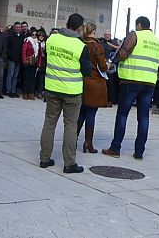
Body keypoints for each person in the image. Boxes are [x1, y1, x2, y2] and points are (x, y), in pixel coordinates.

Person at [102, 16, 159, 160]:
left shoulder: (134, 35)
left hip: (131, 79)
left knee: (122, 114)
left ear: (139, 25)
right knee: (143, 117)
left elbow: (123, 53)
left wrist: (112, 60)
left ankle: (115, 148)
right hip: (149, 82)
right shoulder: (157, 42)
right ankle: (139, 152)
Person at [39, 13, 91, 173]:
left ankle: (44, 159)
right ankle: (69, 163)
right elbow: (87, 71)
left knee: (49, 123)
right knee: (70, 125)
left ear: (67, 23)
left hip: (52, 88)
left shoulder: (52, 39)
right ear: (80, 28)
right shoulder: (81, 46)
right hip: (71, 92)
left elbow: (46, 60)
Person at [76, 23, 108, 154]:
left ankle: (73, 138)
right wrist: (108, 65)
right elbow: (102, 66)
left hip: (82, 82)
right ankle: (88, 142)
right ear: (93, 32)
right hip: (95, 83)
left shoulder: (80, 44)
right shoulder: (97, 46)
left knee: (81, 112)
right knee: (91, 114)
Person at [5, 22, 24, 98]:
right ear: (14, 28)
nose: (18, 29)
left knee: (15, 76)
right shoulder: (9, 36)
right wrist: (11, 55)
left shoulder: (23, 36)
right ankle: (8, 90)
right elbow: (7, 47)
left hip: (19, 60)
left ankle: (13, 91)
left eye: (19, 27)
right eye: (17, 27)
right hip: (11, 59)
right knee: (10, 75)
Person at [21, 27, 39, 100]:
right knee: (26, 78)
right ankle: (25, 93)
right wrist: (24, 60)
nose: (34, 36)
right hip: (28, 61)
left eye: (35, 34)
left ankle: (30, 93)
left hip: (34, 61)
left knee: (32, 78)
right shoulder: (27, 40)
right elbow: (24, 51)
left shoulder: (37, 42)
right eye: (33, 34)